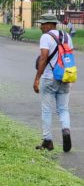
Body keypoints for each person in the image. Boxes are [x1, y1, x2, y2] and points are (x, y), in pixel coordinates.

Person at [34, 13, 73, 152]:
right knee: (63, 109)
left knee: (46, 109)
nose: (40, 27)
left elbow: (43, 58)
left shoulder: (46, 37)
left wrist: (37, 78)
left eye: (42, 24)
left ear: (50, 24)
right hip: (65, 77)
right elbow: (69, 57)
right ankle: (66, 131)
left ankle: (48, 140)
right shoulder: (67, 36)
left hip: (49, 78)